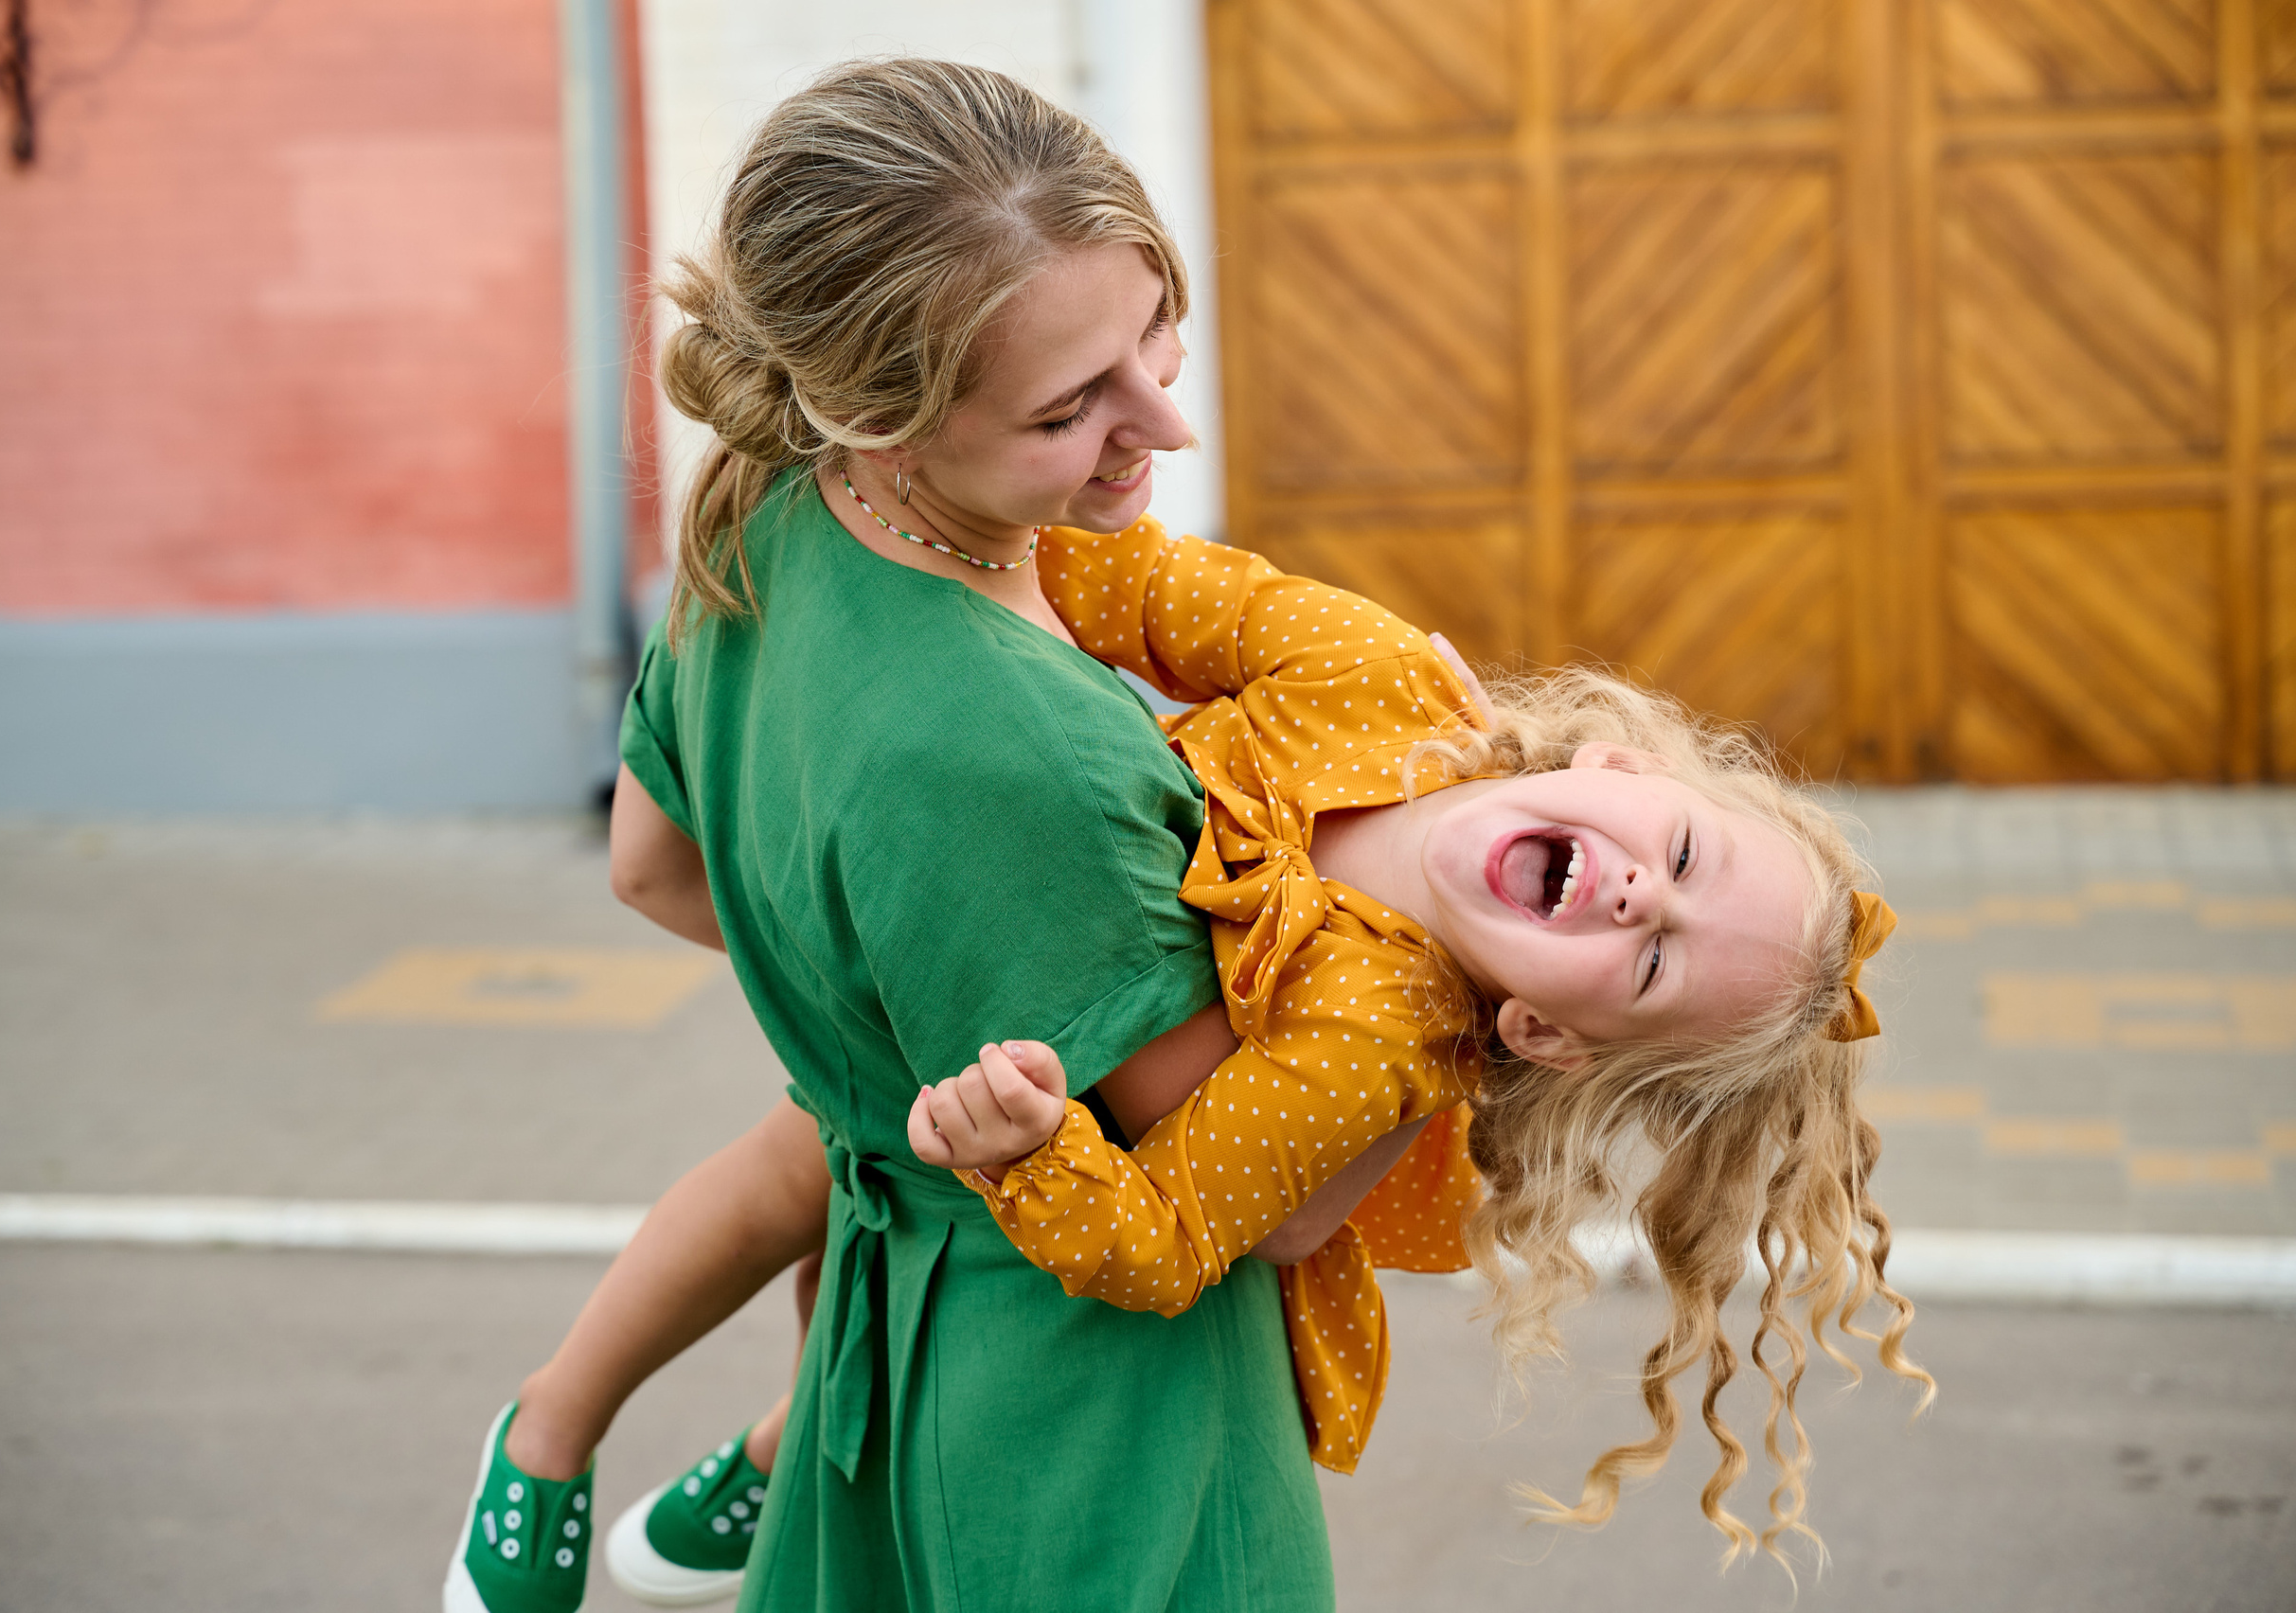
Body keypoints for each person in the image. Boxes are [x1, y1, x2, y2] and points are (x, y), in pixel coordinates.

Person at [447, 56, 1354, 1613]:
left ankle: (617, 1436)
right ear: (883, 413)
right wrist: (1463, 1002)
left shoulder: (762, 511)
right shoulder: (1032, 748)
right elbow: (1273, 1201)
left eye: (1153, 335)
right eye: (1072, 406)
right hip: (1080, 1406)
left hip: (884, 1328)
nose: (1166, 424)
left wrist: (889, 1040)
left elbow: (653, 865)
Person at [903, 519, 1933, 1561]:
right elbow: (1128, 581)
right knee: (779, 1193)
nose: (1638, 893)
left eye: (1655, 963)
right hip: (925, 816)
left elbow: (1166, 1234)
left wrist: (1030, 1150)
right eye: (1679, 852)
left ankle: (777, 1476)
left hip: (957, 992)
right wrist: (934, 568)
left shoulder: (1372, 1042)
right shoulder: (1373, 673)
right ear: (1620, 767)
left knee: (834, 1208)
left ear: (1545, 1033)